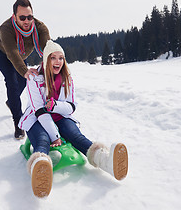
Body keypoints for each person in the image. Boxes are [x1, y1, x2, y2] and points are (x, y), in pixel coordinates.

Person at [19, 40, 129, 198]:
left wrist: (55, 106)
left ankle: (104, 160)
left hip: (60, 115)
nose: (58, 62)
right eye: (53, 58)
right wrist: (55, 136)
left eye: (61, 58)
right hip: (37, 119)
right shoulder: (34, 79)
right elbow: (40, 111)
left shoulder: (67, 79)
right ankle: (41, 167)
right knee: (43, 139)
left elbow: (71, 106)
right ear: (46, 59)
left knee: (75, 135)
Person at [0, 0, 50, 139]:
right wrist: (24, 71)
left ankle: (12, 101)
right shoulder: (6, 28)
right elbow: (12, 53)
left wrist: (51, 67)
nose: (26, 21)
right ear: (14, 16)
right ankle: (18, 122)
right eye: (22, 17)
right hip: (2, 52)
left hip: (21, 54)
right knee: (12, 82)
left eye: (30, 17)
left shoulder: (40, 28)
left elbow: (48, 49)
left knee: (23, 82)